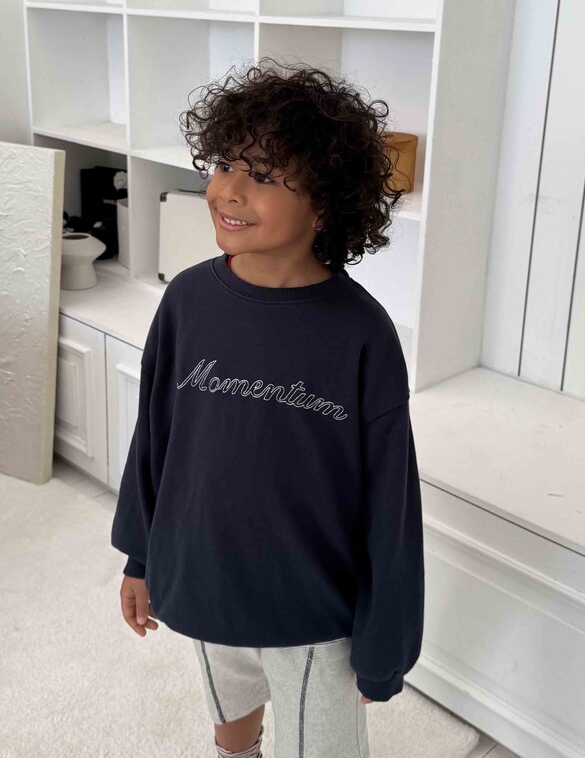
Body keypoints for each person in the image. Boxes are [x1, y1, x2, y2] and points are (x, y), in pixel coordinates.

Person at [110, 57, 425, 758]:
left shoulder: (361, 334)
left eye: (260, 175)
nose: (227, 189)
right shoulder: (187, 301)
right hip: (206, 580)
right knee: (230, 724)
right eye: (224, 164)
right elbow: (155, 440)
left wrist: (387, 641)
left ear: (325, 204)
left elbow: (391, 502)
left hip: (313, 611)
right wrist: (140, 557)